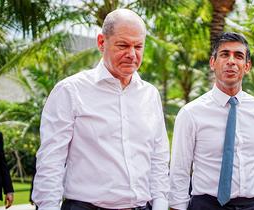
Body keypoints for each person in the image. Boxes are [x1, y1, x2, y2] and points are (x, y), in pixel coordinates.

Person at [32, 8, 170, 210]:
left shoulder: (150, 95)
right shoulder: (70, 90)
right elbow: (51, 160)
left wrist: (160, 205)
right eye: (123, 45)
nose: (132, 54)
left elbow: (158, 158)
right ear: (101, 42)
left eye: (138, 46)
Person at [169, 32, 254, 210]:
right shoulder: (191, 112)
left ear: (247, 66)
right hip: (206, 205)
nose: (231, 61)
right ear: (213, 63)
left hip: (251, 205)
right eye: (225, 54)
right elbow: (179, 171)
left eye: (239, 56)